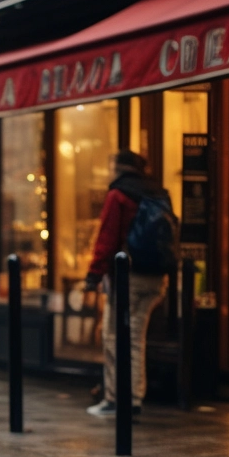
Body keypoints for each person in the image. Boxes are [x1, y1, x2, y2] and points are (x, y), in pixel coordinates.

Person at [83, 150, 168, 418]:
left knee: (113, 336)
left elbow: (106, 239)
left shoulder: (118, 194)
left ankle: (116, 399)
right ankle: (133, 397)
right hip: (156, 278)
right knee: (135, 338)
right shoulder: (158, 192)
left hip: (128, 276)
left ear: (118, 168)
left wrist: (93, 275)